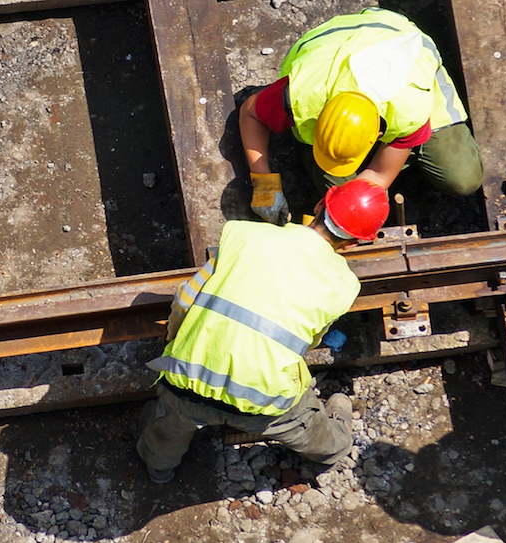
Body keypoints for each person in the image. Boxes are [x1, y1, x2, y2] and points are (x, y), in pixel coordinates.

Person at [137, 180, 393, 484]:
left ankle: (159, 470)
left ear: (318, 207)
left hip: (187, 381)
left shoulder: (246, 235)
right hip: (263, 402)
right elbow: (311, 341)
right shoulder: (344, 285)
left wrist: (176, 341)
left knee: (167, 430)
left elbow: (184, 299)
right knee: (309, 428)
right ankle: (336, 448)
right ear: (353, 243)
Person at [239, 8, 484, 225]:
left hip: (399, 37)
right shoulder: (303, 94)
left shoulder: (409, 109)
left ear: (378, 135)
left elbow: (380, 174)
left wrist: (352, 206)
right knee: (349, 201)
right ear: (321, 117)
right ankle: (316, 156)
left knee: (463, 179)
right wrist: (264, 185)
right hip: (329, 43)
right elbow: (251, 113)